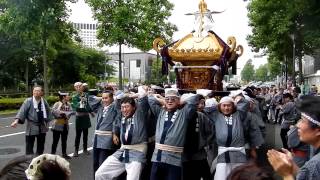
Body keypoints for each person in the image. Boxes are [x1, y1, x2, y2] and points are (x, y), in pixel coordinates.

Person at [95, 86, 150, 180]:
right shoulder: (122, 116)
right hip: (122, 151)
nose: (124, 110)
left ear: (134, 107)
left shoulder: (139, 115)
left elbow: (143, 97)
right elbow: (117, 99)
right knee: (100, 174)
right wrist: (114, 133)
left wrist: (137, 92)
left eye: (127, 107)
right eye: (123, 107)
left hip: (137, 152)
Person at [148, 89, 199, 180]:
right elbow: (151, 99)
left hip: (174, 159)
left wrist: (180, 102)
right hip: (157, 157)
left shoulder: (184, 114)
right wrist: (164, 100)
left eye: (173, 99)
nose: (170, 101)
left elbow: (194, 99)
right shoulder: (160, 112)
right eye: (168, 99)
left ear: (178, 101)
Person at [267, 96, 320, 180]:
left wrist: (286, 174)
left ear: (318, 131)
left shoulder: (315, 164)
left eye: (303, 120)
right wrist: (292, 164)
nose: (298, 125)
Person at [211, 95, 262, 180]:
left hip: (239, 152)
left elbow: (245, 103)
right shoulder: (216, 116)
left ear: (233, 106)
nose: (226, 108)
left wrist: (238, 97)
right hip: (223, 152)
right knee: (221, 176)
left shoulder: (238, 115)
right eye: (224, 105)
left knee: (239, 175)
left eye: (229, 105)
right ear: (219, 107)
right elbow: (207, 109)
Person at [11, 85, 52, 155]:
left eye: (38, 91)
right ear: (32, 92)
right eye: (35, 90)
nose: (36, 92)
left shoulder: (44, 101)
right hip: (31, 126)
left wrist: (47, 125)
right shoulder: (28, 101)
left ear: (41, 92)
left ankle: (38, 161)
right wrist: (16, 121)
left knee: (41, 146)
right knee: (29, 147)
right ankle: (29, 161)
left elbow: (48, 113)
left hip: (42, 126)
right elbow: (22, 111)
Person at [182, 95, 214, 180]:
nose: (200, 105)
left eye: (202, 103)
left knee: (206, 175)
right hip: (183, 154)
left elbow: (210, 131)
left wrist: (204, 143)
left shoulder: (201, 116)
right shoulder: (179, 115)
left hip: (199, 153)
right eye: (197, 103)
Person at [92, 91, 121, 174]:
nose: (104, 100)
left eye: (106, 98)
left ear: (112, 98)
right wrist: (100, 98)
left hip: (107, 140)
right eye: (103, 98)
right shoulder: (101, 107)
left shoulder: (115, 107)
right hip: (96, 140)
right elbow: (90, 102)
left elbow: (117, 121)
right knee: (95, 164)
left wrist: (115, 133)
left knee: (103, 164)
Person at [71, 82, 93, 157]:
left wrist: (91, 111)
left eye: (79, 86)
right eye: (76, 87)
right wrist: (81, 102)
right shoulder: (74, 96)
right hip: (79, 117)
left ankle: (85, 149)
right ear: (75, 88)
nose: (78, 88)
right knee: (78, 135)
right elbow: (76, 106)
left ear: (82, 87)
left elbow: (86, 105)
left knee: (85, 134)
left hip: (85, 116)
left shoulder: (85, 94)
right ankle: (76, 150)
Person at [51, 92, 73, 159]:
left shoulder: (68, 104)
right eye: (67, 96)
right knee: (55, 141)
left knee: (64, 140)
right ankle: (52, 155)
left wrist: (67, 115)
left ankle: (64, 154)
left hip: (65, 124)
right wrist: (60, 114)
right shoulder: (57, 104)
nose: (68, 97)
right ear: (63, 97)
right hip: (57, 124)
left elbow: (71, 111)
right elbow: (53, 112)